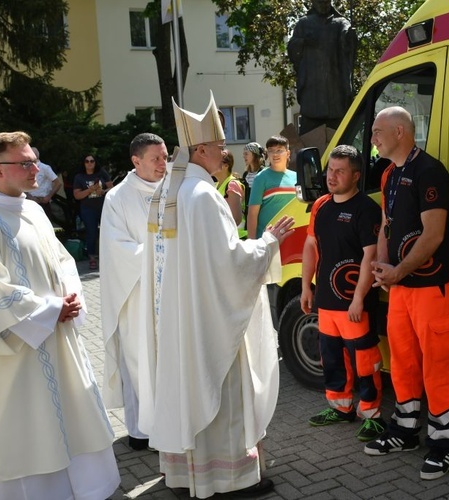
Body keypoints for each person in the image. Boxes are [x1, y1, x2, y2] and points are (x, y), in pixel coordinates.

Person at [137, 92, 295, 498]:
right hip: (209, 317)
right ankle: (227, 479)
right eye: (221, 145)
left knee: (184, 384)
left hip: (176, 316)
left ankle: (185, 475)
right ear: (201, 149)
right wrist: (270, 242)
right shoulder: (204, 195)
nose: (227, 151)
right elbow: (229, 261)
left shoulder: (165, 193)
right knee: (223, 391)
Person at [0, 131, 120, 499]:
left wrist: (71, 299)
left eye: (33, 160)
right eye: (25, 163)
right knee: (31, 432)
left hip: (58, 338)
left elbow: (62, 262)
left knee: (74, 419)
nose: (35, 169)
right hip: (17, 356)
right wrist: (51, 309)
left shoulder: (34, 210)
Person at [365, 107, 449, 480]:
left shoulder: (429, 171)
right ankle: (405, 432)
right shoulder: (390, 174)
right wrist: (383, 269)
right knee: (402, 361)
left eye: (377, 131)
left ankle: (444, 444)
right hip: (401, 288)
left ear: (400, 131)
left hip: (431, 285)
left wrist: (399, 271)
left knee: (437, 363)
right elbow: (387, 225)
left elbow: (434, 235)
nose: (373, 138)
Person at [300, 145, 385, 442]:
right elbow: (311, 246)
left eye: (340, 171)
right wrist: (305, 286)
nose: (332, 177)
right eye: (330, 170)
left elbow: (370, 256)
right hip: (326, 301)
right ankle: (340, 407)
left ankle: (372, 414)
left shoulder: (366, 210)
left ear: (356, 176)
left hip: (353, 302)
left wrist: (359, 298)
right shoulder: (321, 206)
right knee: (332, 357)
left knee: (364, 359)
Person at [99, 132, 168, 452]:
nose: (163, 163)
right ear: (136, 161)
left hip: (170, 292)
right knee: (138, 359)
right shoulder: (118, 198)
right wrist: (162, 253)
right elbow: (117, 249)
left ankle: (170, 426)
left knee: (168, 360)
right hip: (136, 294)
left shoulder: (174, 189)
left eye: (165, 156)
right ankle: (141, 431)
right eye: (156, 158)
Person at [287, 0, 357, 134]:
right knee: (309, 132)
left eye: (326, 2)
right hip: (312, 88)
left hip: (334, 89)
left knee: (340, 131)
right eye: (320, 2)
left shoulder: (340, 22)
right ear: (313, 3)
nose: (323, 5)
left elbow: (347, 38)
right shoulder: (304, 23)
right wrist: (304, 42)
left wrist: (350, 37)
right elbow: (292, 49)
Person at [247, 135, 297, 239]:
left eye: (279, 150)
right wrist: (252, 243)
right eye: (271, 150)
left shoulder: (296, 177)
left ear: (288, 153)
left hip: (293, 238)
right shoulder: (260, 178)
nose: (275, 154)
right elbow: (252, 214)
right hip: (267, 241)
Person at [73, 154, 113, 270]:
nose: (89, 163)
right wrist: (90, 190)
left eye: (92, 161)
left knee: (108, 231)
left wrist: (103, 191)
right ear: (83, 163)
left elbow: (111, 187)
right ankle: (92, 258)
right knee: (91, 233)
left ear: (95, 162)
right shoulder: (79, 177)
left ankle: (109, 257)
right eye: (87, 161)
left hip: (103, 207)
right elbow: (77, 195)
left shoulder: (101, 173)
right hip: (88, 209)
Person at [25, 147, 62, 222]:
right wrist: (28, 196)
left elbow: (58, 183)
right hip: (29, 202)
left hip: (42, 202)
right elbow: (22, 184)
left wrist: (49, 196)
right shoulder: (26, 168)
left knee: (44, 227)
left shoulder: (45, 168)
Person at [213, 148, 246, 230]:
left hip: (237, 237)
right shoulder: (215, 185)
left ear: (226, 166)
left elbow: (236, 219)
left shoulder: (233, 185)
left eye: (215, 161)